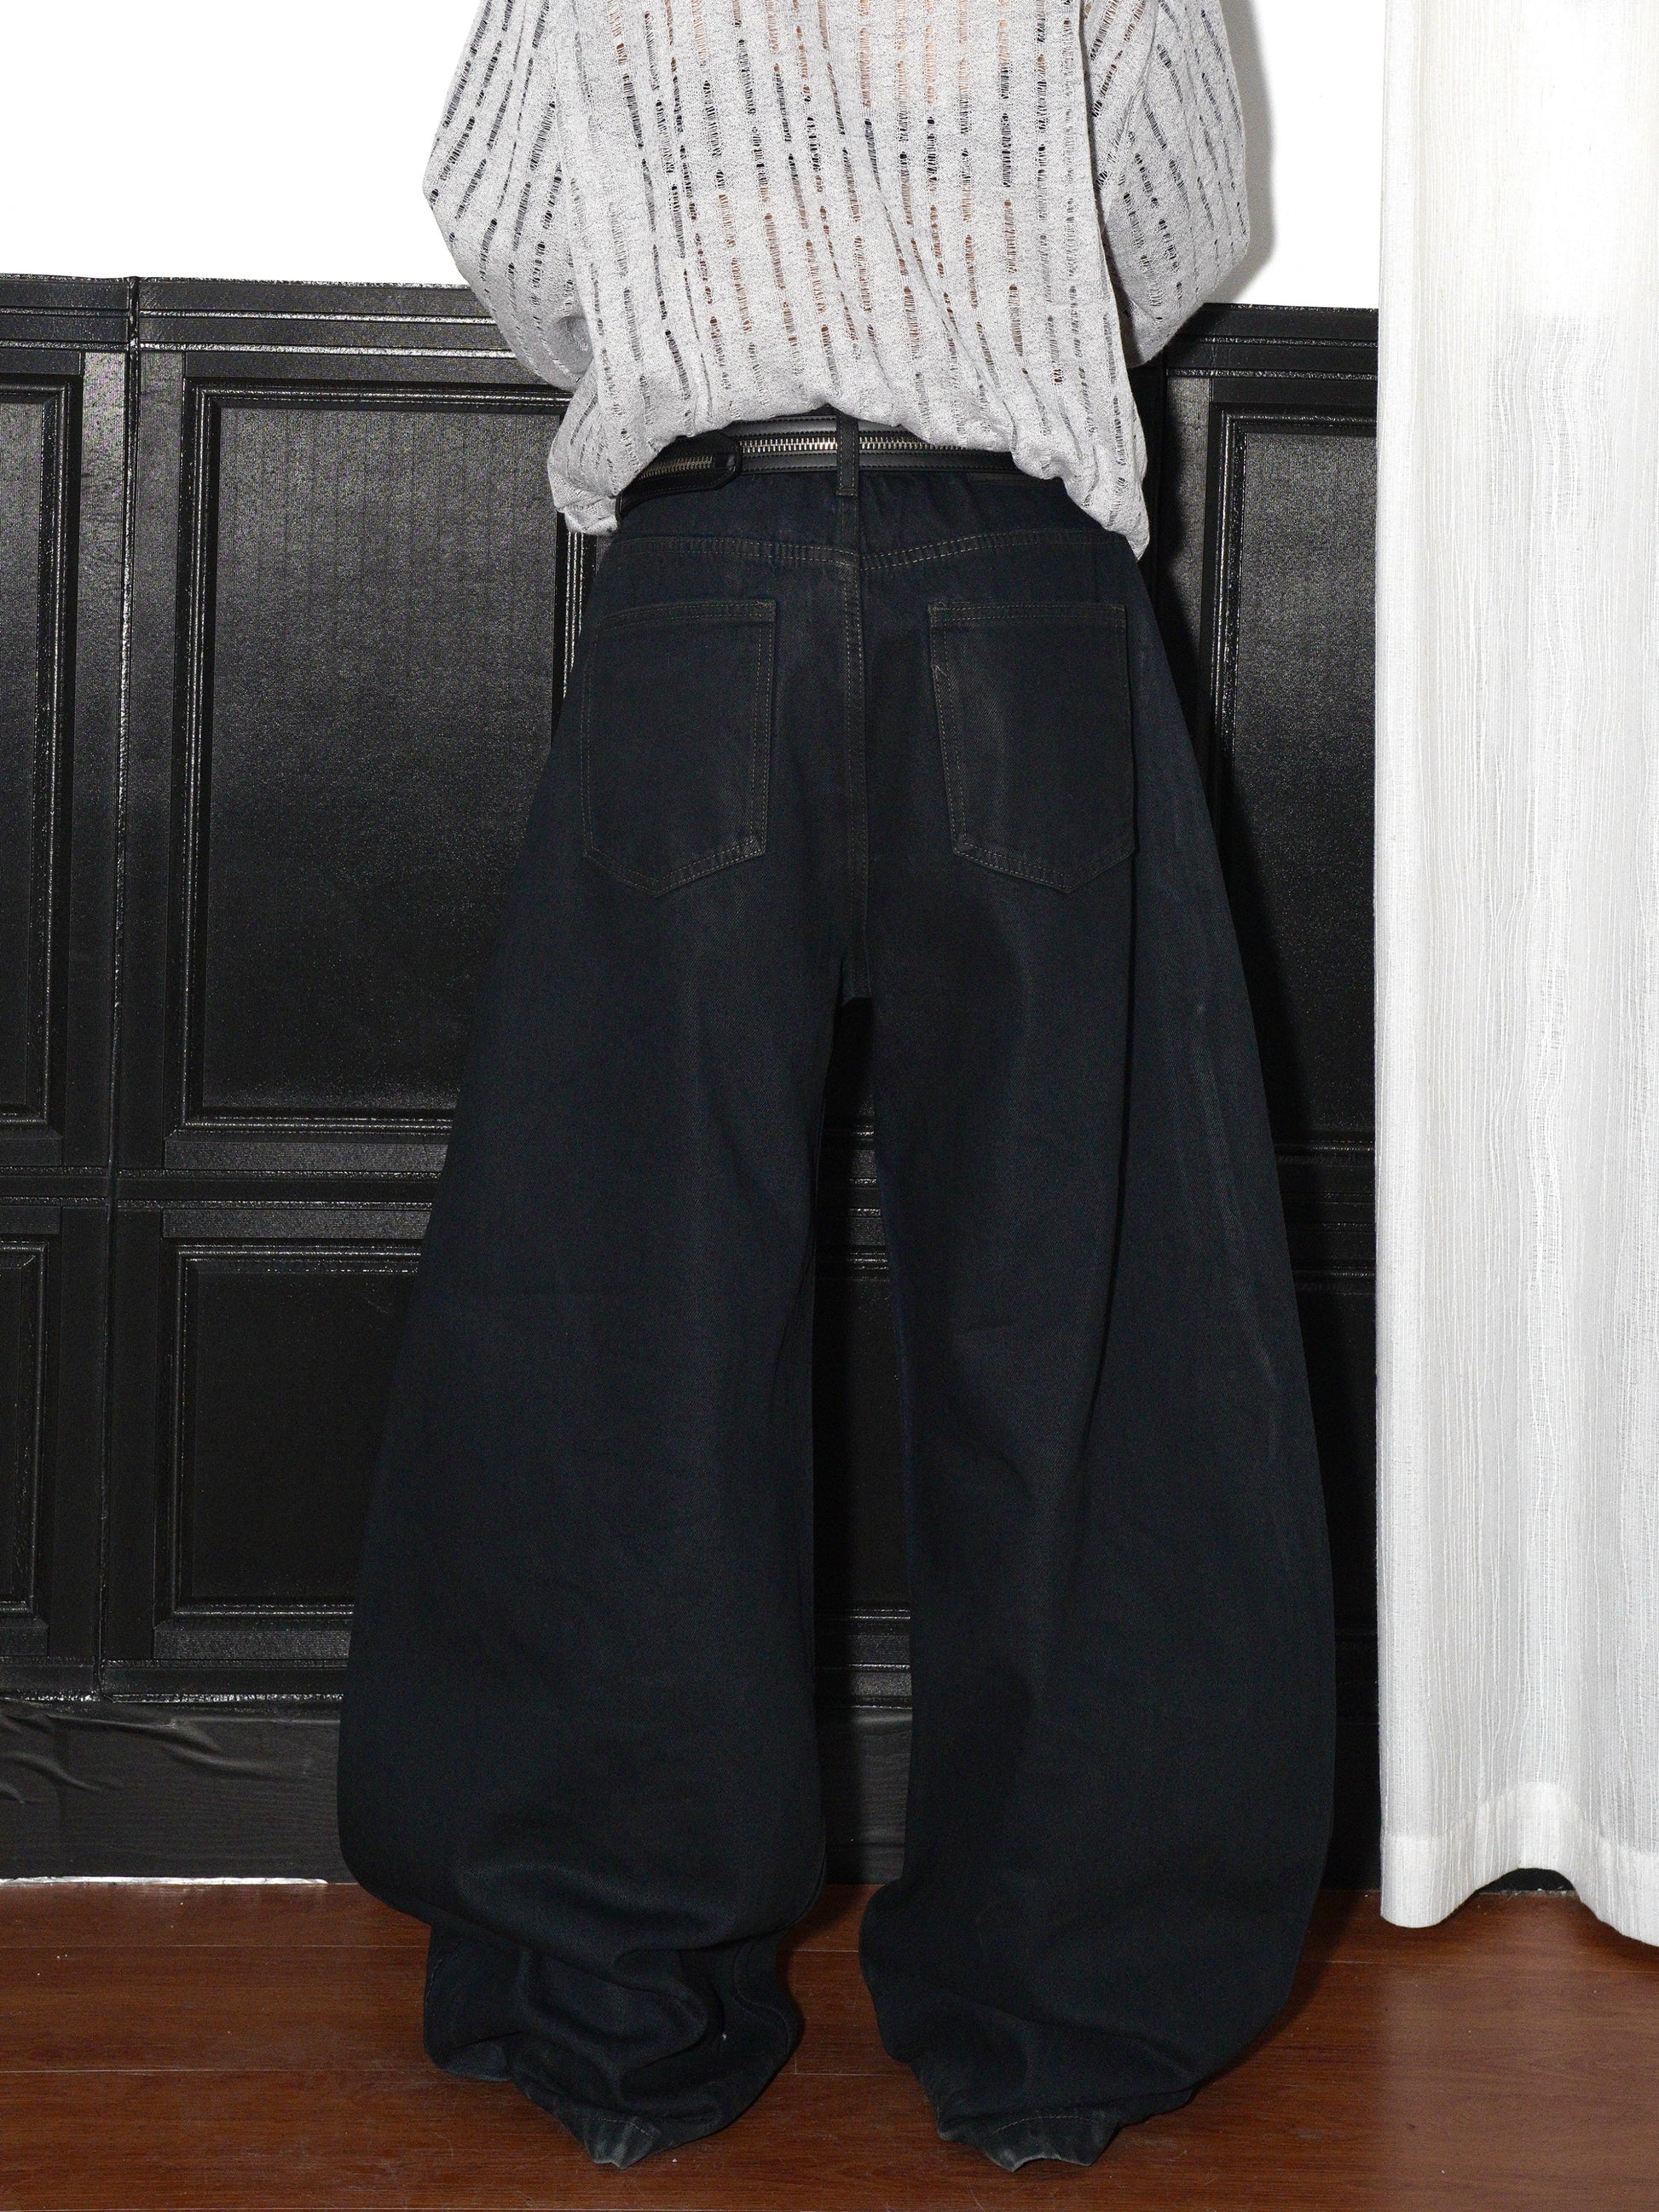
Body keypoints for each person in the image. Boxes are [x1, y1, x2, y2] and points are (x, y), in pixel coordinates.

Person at [337, 0, 1336, 2175]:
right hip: (1018, 595)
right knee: (1079, 1320)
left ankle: (611, 2008)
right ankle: (1066, 2013)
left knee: (626, 1315)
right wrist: (961, 316)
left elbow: (501, 203)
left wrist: (731, 308)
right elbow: (1183, 215)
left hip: (710, 585)